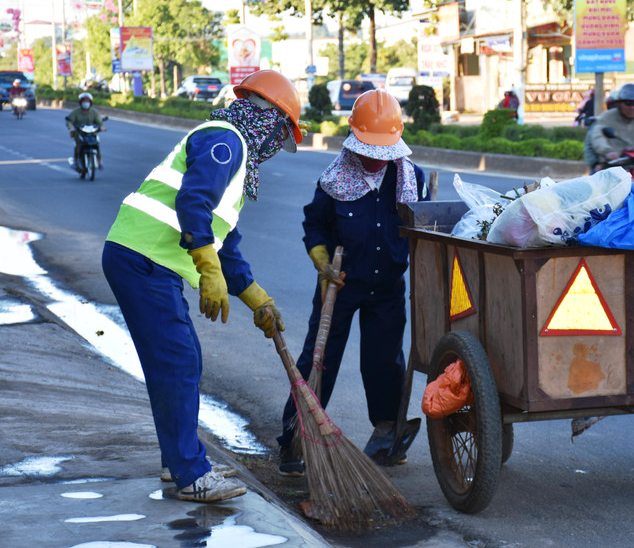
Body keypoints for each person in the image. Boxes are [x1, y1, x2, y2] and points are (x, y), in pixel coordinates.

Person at [101, 69, 301, 503]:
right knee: (177, 363)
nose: (276, 149)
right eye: (281, 134)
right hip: (144, 258)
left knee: (182, 360)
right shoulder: (226, 140)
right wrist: (208, 271)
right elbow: (193, 202)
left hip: (148, 261)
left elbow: (224, 243)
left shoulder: (233, 148)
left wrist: (254, 298)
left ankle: (181, 461)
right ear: (270, 120)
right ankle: (190, 473)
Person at [277, 89, 428, 475]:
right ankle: (295, 434)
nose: (375, 160)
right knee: (319, 358)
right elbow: (314, 224)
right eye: (368, 150)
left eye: (382, 152)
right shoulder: (334, 179)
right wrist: (320, 259)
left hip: (388, 288)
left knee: (383, 363)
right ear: (354, 139)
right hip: (339, 284)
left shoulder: (412, 178)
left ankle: (387, 431)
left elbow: (424, 230)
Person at [66, 92, 106, 170]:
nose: (86, 103)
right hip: (80, 133)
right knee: (78, 145)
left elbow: (99, 121)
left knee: (96, 144)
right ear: (80, 102)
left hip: (92, 133)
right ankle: (75, 161)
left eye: (87, 102)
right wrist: (71, 126)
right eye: (84, 101)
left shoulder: (94, 112)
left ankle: (100, 162)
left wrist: (102, 127)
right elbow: (69, 120)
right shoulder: (76, 112)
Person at [583, 89, 620, 171]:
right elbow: (589, 147)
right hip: (605, 167)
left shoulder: (630, 124)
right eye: (614, 105)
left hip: (627, 166)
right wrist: (595, 164)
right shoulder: (599, 123)